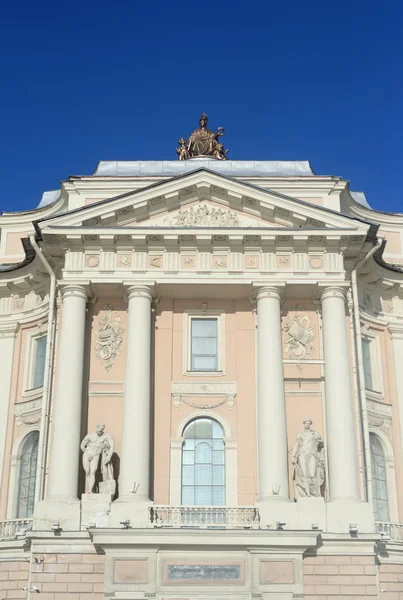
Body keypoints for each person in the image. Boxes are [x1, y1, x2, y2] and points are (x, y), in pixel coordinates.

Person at [291, 418, 325, 498]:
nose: (307, 424)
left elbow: (321, 443)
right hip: (302, 455)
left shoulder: (315, 433)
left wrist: (319, 442)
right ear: (304, 424)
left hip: (312, 454)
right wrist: (293, 456)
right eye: (306, 423)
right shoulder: (300, 434)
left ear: (310, 424)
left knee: (313, 474)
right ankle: (307, 494)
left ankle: (314, 493)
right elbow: (296, 445)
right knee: (304, 474)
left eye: (308, 423)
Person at [80, 424, 115, 493]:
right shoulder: (90, 436)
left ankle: (90, 490)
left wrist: (109, 456)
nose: (100, 430)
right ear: (97, 427)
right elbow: (82, 445)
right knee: (87, 472)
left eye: (102, 429)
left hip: (96, 455)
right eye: (99, 428)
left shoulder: (106, 436)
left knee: (93, 472)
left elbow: (112, 447)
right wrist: (87, 452)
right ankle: (89, 489)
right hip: (87, 454)